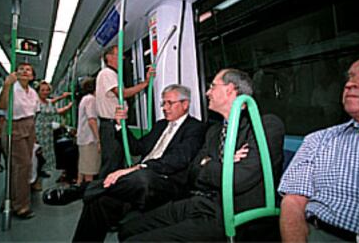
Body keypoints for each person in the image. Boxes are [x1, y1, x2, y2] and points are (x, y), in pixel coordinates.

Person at [118, 68, 285, 242]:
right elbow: (193, 173)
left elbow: (237, 180)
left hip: (235, 214)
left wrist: (210, 163)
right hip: (203, 203)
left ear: (229, 89)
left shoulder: (265, 125)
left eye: (212, 86)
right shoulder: (214, 131)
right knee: (128, 229)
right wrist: (225, 162)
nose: (207, 92)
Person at [72, 84, 206, 242]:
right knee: (98, 202)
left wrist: (139, 167)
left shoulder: (195, 128)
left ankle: (83, 189)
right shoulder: (160, 125)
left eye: (170, 103)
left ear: (185, 104)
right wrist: (120, 125)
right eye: (163, 103)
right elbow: (137, 147)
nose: (165, 108)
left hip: (167, 183)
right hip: (140, 182)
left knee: (143, 177)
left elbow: (178, 159)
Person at [278, 54, 359, 243]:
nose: (350, 84)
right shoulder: (318, 140)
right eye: (349, 77)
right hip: (323, 234)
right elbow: (292, 202)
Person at [96, 45, 154, 178]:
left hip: (116, 124)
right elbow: (122, 94)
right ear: (109, 58)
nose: (123, 58)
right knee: (111, 163)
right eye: (119, 55)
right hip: (111, 126)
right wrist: (145, 83)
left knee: (117, 161)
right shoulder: (107, 73)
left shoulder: (113, 74)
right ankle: (102, 194)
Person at [0, 62, 39, 219]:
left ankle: (11, 199)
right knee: (22, 166)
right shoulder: (10, 88)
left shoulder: (33, 93)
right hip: (14, 126)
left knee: (19, 167)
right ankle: (20, 205)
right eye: (21, 69)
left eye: (28, 69)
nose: (24, 71)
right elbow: (1, 106)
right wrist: (7, 85)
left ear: (32, 76)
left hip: (29, 126)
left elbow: (34, 113)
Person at [34, 80, 72, 183]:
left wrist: (64, 98)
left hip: (47, 131)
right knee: (38, 154)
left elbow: (53, 104)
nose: (45, 92)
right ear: (37, 91)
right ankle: (36, 179)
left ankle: (41, 173)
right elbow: (33, 118)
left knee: (45, 154)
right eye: (42, 90)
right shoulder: (36, 102)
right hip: (38, 131)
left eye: (47, 90)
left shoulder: (47, 101)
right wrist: (68, 106)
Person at [76, 77, 101, 185]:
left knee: (84, 165)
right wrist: (98, 139)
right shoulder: (91, 99)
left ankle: (79, 185)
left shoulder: (85, 98)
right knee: (89, 170)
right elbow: (92, 120)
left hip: (84, 138)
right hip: (89, 139)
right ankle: (88, 190)